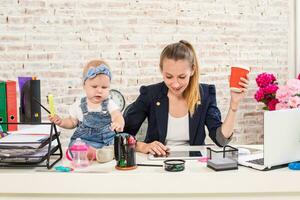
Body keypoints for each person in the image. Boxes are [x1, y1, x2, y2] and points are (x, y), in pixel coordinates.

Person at [124, 40, 249, 156]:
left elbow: (221, 140)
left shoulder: (205, 94)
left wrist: (234, 104)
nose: (175, 84)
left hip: (194, 164)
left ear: (193, 70)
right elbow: (122, 135)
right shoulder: (150, 94)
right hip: (157, 163)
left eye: (182, 77)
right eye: (169, 76)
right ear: (161, 70)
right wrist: (142, 146)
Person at [49, 60, 125, 158]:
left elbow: (117, 116)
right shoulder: (79, 105)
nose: (99, 90)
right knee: (75, 147)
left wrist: (119, 123)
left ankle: (108, 152)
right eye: (94, 86)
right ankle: (96, 154)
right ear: (84, 86)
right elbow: (72, 122)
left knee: (123, 141)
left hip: (107, 140)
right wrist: (61, 122)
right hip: (86, 141)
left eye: (104, 87)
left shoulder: (110, 103)